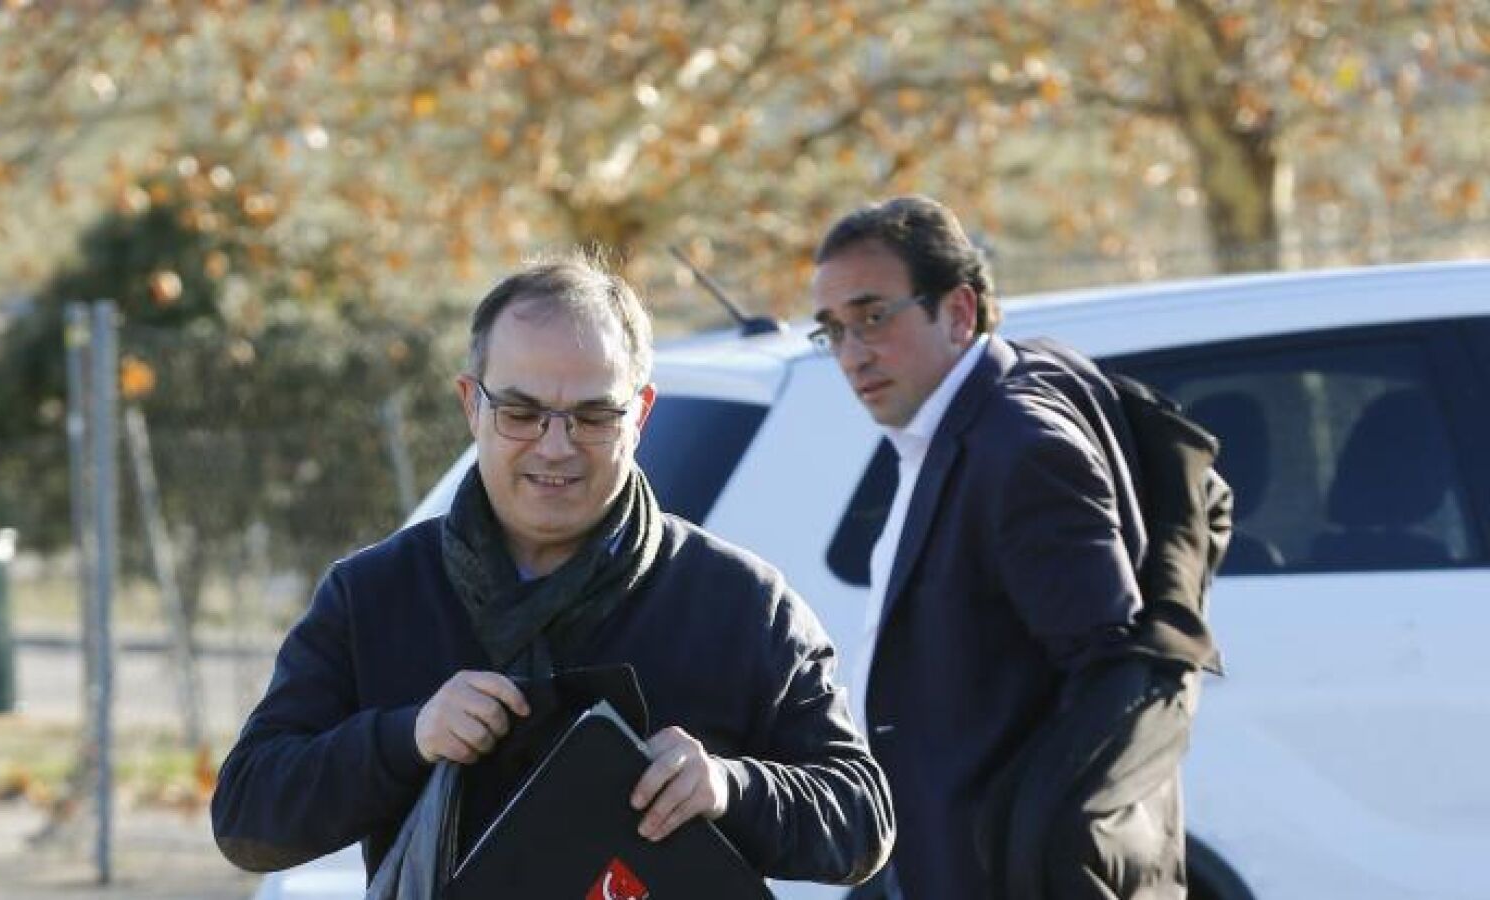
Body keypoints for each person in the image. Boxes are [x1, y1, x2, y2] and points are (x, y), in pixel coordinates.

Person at [212, 256, 894, 888]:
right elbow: (247, 815)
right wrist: (408, 738)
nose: (556, 446)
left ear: (640, 414)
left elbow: (864, 822)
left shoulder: (742, 604)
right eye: (522, 413)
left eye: (594, 416)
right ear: (471, 404)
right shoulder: (373, 595)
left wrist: (729, 787)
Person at [809, 196, 1190, 898]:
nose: (852, 354)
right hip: (926, 850)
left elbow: (1111, 677)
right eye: (832, 331)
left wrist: (1027, 853)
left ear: (958, 311)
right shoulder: (958, 423)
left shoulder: (1021, 450)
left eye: (873, 316)